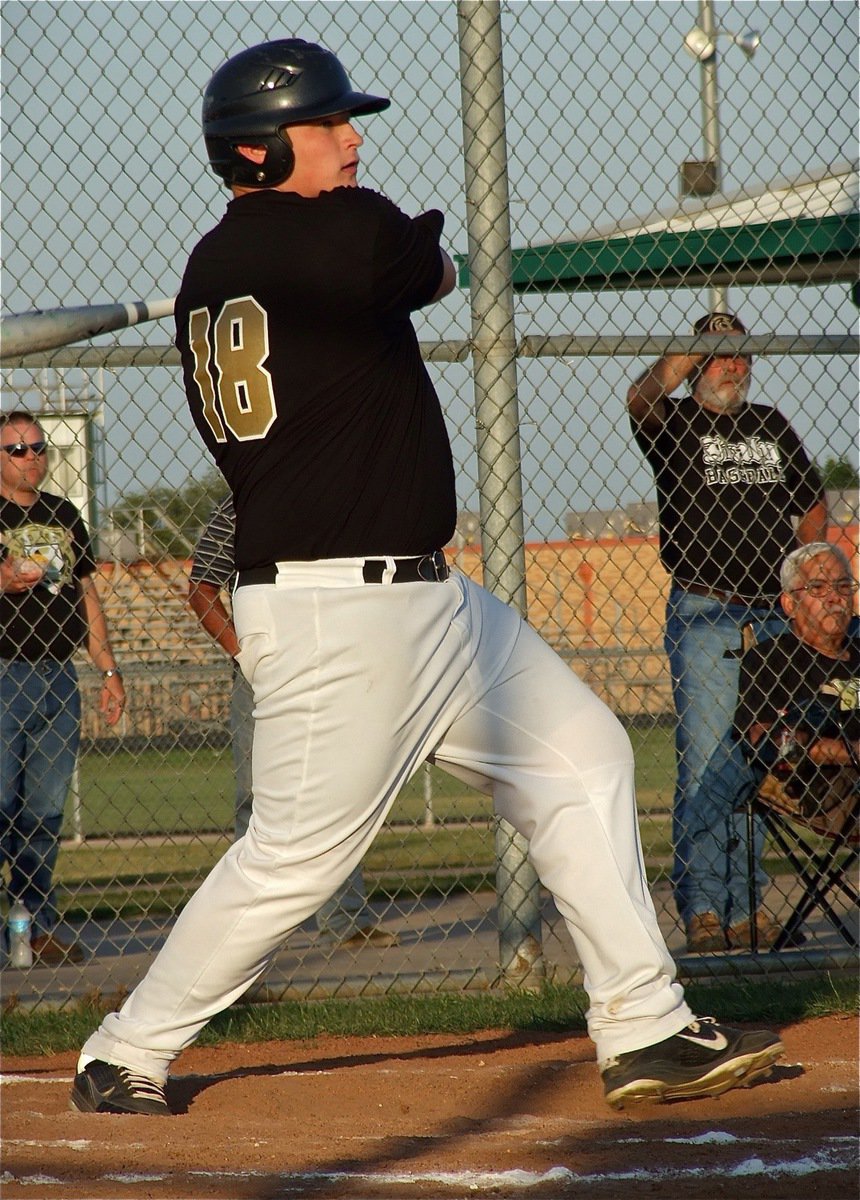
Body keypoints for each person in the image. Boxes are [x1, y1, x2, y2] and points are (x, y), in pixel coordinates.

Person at [71, 38, 782, 1118]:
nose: (353, 139)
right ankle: (124, 1047)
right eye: (328, 126)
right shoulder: (340, 234)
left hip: (426, 601)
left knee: (582, 757)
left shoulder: (210, 273)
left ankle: (641, 1026)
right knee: (296, 860)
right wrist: (386, 242)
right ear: (259, 150)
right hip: (338, 614)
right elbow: (434, 267)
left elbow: (386, 277)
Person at [626, 311, 827, 952]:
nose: (733, 367)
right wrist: (690, 351)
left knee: (758, 758)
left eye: (741, 355)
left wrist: (804, 570)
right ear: (697, 365)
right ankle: (705, 908)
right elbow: (641, 397)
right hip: (705, 613)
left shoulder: (769, 424)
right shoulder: (676, 426)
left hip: (772, 614)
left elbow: (813, 499)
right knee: (709, 760)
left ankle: (744, 910)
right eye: (719, 356)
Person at [188, 493, 398, 947]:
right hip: (265, 674)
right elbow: (201, 590)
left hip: (336, 665)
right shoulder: (244, 502)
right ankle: (249, 929)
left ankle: (344, 920)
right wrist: (247, 657)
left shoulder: (340, 501)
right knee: (258, 797)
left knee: (342, 794)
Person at [682, 542, 858, 950]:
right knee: (734, 759)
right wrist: (847, 751)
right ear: (789, 604)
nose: (835, 596)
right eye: (817, 587)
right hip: (819, 789)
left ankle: (728, 910)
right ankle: (713, 907)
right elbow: (769, 741)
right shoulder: (772, 659)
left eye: (843, 585)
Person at [1, 410, 126, 965]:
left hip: (58, 673)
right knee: (1, 808)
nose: (30, 457)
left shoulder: (63, 513)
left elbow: (85, 593)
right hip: (3, 673)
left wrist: (107, 666)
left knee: (46, 813)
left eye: (37, 447)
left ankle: (33, 926)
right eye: (16, 449)